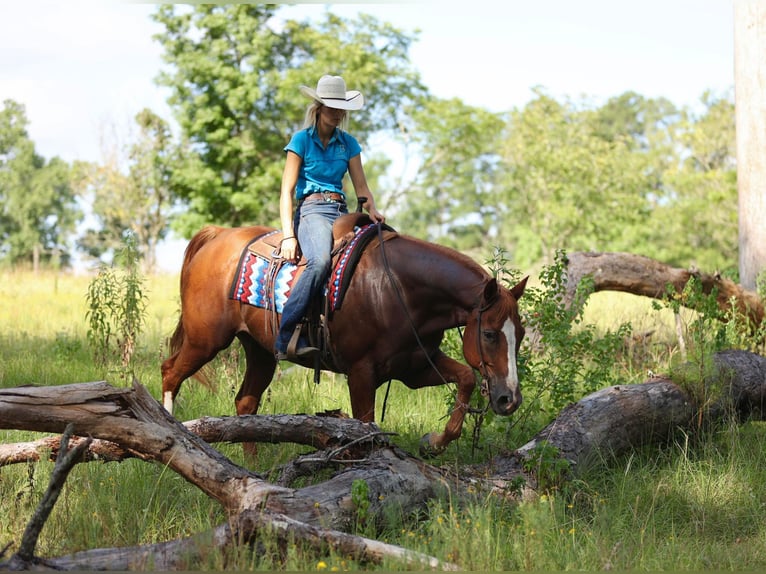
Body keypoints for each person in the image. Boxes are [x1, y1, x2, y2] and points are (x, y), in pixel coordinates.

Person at [274, 74, 385, 361]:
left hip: (341, 211)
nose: (337, 113)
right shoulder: (301, 141)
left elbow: (362, 188)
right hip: (311, 210)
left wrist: (372, 210)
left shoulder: (348, 144)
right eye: (331, 107)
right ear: (319, 107)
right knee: (321, 261)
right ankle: (285, 337)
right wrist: (288, 235)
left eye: (341, 108)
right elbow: (286, 191)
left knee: (372, 261)